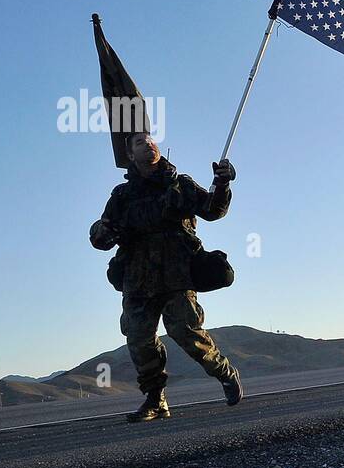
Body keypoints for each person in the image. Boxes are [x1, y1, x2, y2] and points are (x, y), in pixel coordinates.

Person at [89, 133, 243, 422]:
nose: (148, 144)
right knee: (139, 339)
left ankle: (224, 373)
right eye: (139, 143)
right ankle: (156, 400)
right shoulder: (121, 196)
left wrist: (223, 182)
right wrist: (103, 231)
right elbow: (101, 238)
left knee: (185, 332)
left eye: (150, 141)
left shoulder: (180, 183)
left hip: (177, 273)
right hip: (137, 278)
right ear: (130, 156)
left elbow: (213, 210)